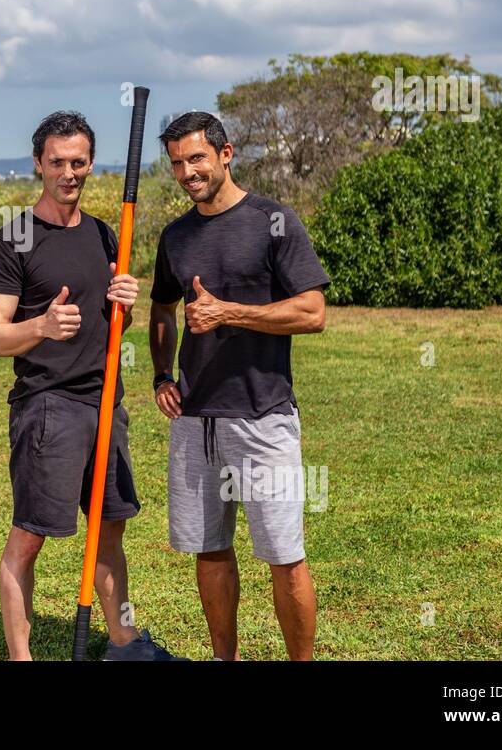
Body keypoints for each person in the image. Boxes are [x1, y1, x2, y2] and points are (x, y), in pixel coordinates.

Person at [0, 111, 181, 661]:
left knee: (110, 529)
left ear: (91, 163)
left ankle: (123, 645)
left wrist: (125, 307)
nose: (69, 173)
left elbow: (117, 325)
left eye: (79, 162)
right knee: (30, 537)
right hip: (49, 405)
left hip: (106, 402)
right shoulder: (14, 239)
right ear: (38, 165)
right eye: (57, 163)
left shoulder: (101, 232)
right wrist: (41, 326)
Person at [148, 111, 328, 661]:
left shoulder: (274, 221)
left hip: (262, 416)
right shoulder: (176, 236)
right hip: (197, 420)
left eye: (197, 158)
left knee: (283, 554)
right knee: (209, 550)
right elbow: (162, 307)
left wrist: (229, 312)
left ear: (226, 155)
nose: (187, 172)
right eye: (178, 163)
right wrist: (161, 375)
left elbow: (313, 312)